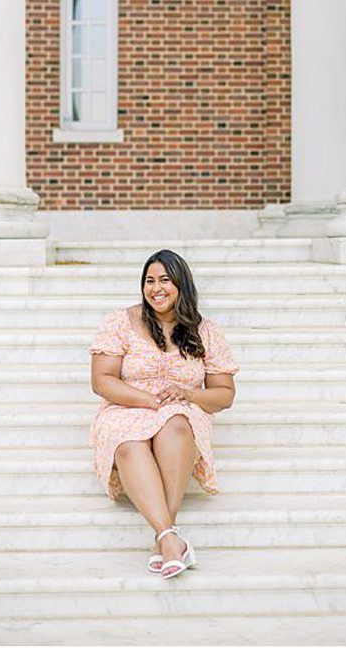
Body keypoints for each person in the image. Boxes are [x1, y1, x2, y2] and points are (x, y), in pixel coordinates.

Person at [89, 248, 239, 580]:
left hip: (180, 409)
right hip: (126, 406)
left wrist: (188, 394)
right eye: (149, 281)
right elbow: (101, 380)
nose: (156, 288)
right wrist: (148, 400)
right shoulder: (121, 321)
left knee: (177, 425)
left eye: (165, 280)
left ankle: (164, 537)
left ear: (181, 284)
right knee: (128, 443)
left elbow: (225, 395)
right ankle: (170, 538)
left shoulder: (206, 331)